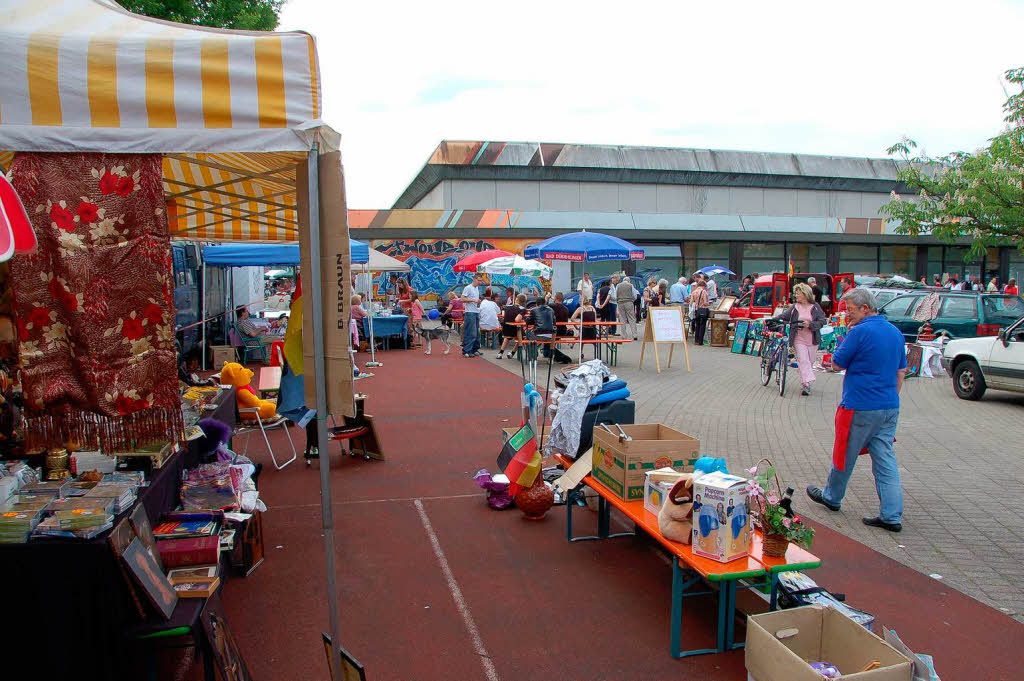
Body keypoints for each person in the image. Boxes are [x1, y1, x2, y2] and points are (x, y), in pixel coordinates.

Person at [806, 287, 907, 533]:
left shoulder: (859, 332)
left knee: (844, 454)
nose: (846, 315)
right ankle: (892, 514)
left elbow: (837, 361)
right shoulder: (895, 332)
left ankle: (832, 496)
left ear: (865, 308)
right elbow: (901, 371)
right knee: (885, 460)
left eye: (849, 310)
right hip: (889, 405)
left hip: (860, 404)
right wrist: (892, 396)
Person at [773, 283, 825, 396]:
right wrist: (772, 319)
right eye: (796, 293)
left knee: (809, 362)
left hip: (812, 339)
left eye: (798, 293)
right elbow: (784, 316)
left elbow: (822, 321)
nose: (796, 296)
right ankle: (806, 385)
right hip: (798, 338)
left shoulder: (815, 307)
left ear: (805, 294)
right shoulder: (795, 306)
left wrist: (810, 324)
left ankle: (806, 381)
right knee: (803, 360)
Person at [528, 297, 571, 363]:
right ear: (545, 303)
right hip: (551, 335)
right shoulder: (551, 310)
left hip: (538, 335)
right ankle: (551, 357)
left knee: (527, 334)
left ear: (536, 304)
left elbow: (529, 322)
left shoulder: (533, 310)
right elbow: (554, 322)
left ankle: (533, 354)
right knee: (549, 342)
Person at [497, 293, 527, 359]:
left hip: (506, 328)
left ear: (516, 299)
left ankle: (500, 353)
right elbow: (517, 319)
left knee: (507, 338)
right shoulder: (523, 309)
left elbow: (505, 316)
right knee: (522, 337)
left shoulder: (508, 307)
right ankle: (512, 353)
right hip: (516, 329)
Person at [461, 274, 482, 358]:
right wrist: (473, 300)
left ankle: (474, 349)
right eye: (479, 280)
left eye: (481, 280)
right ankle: (467, 350)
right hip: (470, 312)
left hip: (476, 311)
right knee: (471, 332)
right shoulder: (468, 288)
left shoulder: (476, 288)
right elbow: (462, 299)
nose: (480, 282)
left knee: (477, 332)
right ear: (474, 279)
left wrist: (478, 301)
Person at [615, 274, 639, 340]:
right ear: (629, 281)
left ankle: (624, 335)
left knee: (622, 318)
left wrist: (618, 300)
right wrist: (632, 300)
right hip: (629, 302)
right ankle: (634, 335)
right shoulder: (631, 286)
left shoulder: (618, 285)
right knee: (631, 318)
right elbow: (635, 295)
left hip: (620, 303)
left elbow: (615, 295)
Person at [688, 279, 711, 345]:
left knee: (697, 325)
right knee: (703, 325)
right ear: (703, 285)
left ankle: (696, 340)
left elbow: (691, 303)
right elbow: (705, 302)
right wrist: (709, 304)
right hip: (703, 309)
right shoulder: (704, 291)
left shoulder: (694, 292)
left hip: (696, 310)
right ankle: (701, 341)